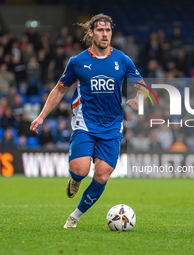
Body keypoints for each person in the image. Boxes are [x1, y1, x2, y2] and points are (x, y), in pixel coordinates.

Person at [30, 14, 142, 229]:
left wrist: (137, 96)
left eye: (108, 30)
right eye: (100, 30)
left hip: (112, 126)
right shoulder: (78, 62)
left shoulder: (122, 59)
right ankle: (75, 179)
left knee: (102, 175)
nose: (104, 34)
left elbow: (140, 82)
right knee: (80, 170)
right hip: (86, 124)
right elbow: (59, 90)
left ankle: (74, 217)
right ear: (91, 33)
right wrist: (42, 116)